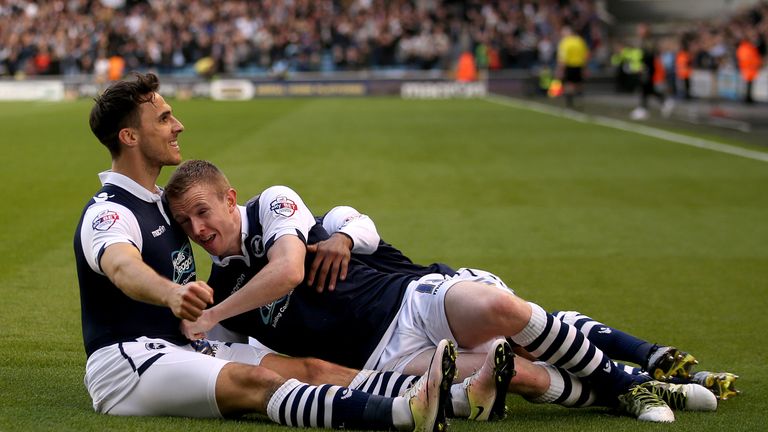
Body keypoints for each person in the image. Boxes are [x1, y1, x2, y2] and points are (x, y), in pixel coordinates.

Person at [164, 160, 715, 423]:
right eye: (186, 224)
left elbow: (286, 270)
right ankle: (638, 387)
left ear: (231, 199)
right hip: (389, 359)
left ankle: (635, 370)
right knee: (513, 370)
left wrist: (213, 316)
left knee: (505, 312)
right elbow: (227, 353)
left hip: (410, 298)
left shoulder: (272, 206)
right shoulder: (222, 288)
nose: (198, 229)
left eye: (203, 212)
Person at [73, 72, 452, 431]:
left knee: (311, 369)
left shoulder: (161, 204)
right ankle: (403, 414)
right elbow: (122, 267)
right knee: (256, 382)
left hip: (181, 346)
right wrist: (171, 293)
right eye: (164, 118)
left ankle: (454, 397)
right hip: (129, 362)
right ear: (130, 136)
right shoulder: (110, 211)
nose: (178, 125)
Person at [308, 205, 739, 402]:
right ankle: (660, 384)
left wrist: (341, 239)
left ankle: (653, 359)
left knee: (529, 340)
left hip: (445, 289)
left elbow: (358, 221)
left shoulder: (327, 226)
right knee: (518, 370)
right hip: (408, 338)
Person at [630, 23, 674, 120]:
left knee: (645, 88)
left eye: (641, 29)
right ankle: (664, 101)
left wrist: (644, 67)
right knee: (647, 89)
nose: (639, 32)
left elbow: (649, 56)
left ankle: (644, 108)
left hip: (648, 69)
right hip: (643, 68)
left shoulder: (649, 42)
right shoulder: (642, 41)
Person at [556, 25, 589, 109]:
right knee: (578, 84)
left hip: (569, 65)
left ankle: (570, 103)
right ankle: (579, 102)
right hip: (579, 65)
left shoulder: (565, 42)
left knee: (569, 84)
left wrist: (560, 70)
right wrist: (585, 68)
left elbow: (563, 58)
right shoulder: (580, 41)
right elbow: (585, 55)